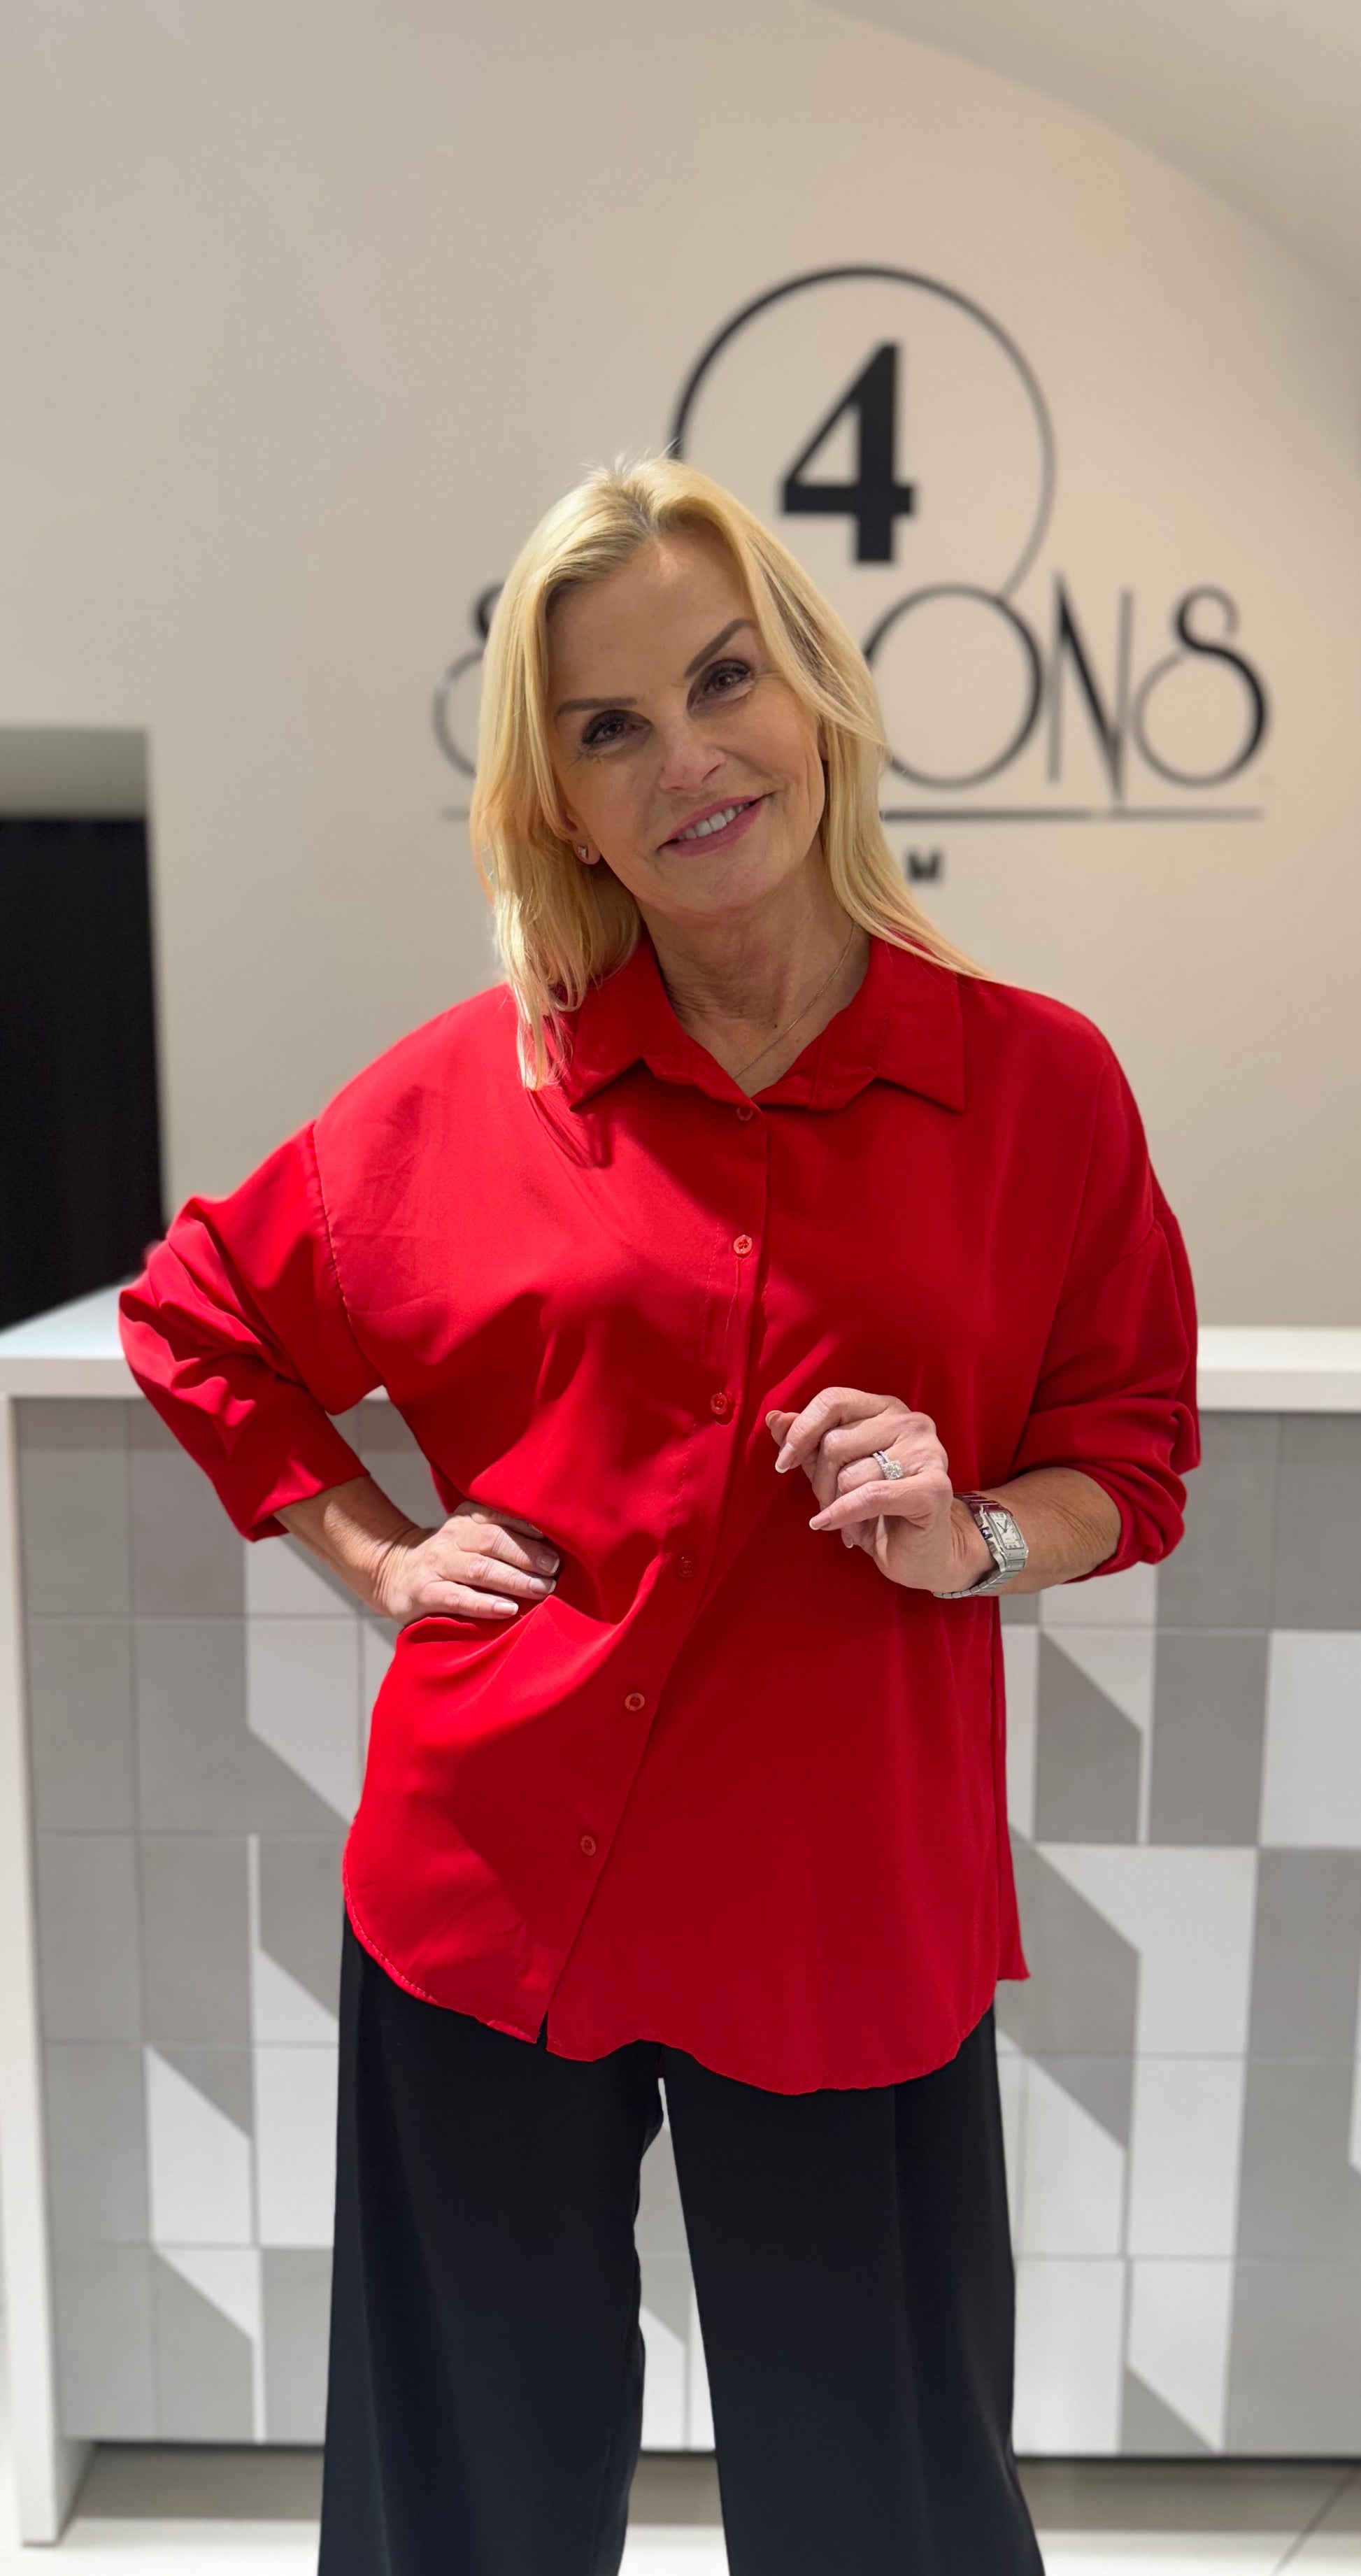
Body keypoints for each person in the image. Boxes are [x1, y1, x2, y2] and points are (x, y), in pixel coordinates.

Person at [119, 456, 1199, 2576]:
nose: (687, 759)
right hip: (494, 1874)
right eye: (609, 727)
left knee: (885, 2499)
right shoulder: (467, 1091)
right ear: (563, 809)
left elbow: (1132, 1452)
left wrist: (975, 1531)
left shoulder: (1035, 1088)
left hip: (838, 1896)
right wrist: (375, 1553)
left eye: (722, 680)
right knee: (464, 2507)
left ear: (817, 692)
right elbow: (199, 1313)